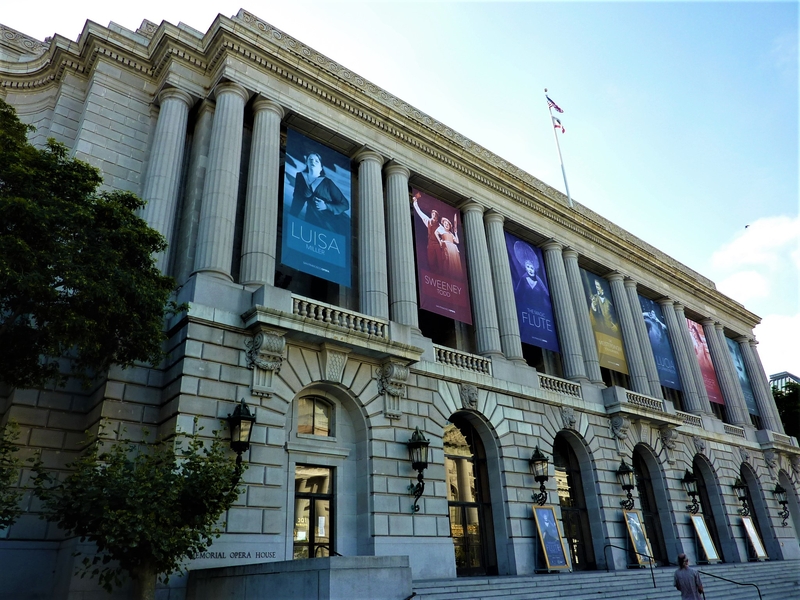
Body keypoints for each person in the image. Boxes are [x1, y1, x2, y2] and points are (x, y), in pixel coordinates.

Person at [289, 152, 350, 236]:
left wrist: (326, 206)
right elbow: (297, 200)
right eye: (310, 159)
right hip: (312, 218)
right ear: (307, 162)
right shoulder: (301, 177)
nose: (313, 161)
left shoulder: (327, 182)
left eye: (316, 161)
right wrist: (292, 218)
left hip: (333, 221)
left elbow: (345, 205)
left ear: (321, 168)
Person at [412, 194, 442, 272]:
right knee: (430, 260)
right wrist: (415, 202)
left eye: (435, 216)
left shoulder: (440, 226)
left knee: (440, 261)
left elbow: (446, 233)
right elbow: (419, 212)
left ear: (437, 217)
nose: (434, 216)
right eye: (433, 215)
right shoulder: (427, 221)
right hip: (430, 244)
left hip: (438, 245)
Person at [436, 214, 462, 279]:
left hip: (453, 249)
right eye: (445, 224)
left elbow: (457, 241)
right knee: (447, 261)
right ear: (443, 225)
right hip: (447, 247)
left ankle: (454, 275)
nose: (446, 225)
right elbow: (435, 232)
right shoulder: (441, 231)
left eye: (448, 224)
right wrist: (440, 241)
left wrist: (455, 233)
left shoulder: (451, 234)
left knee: (454, 263)